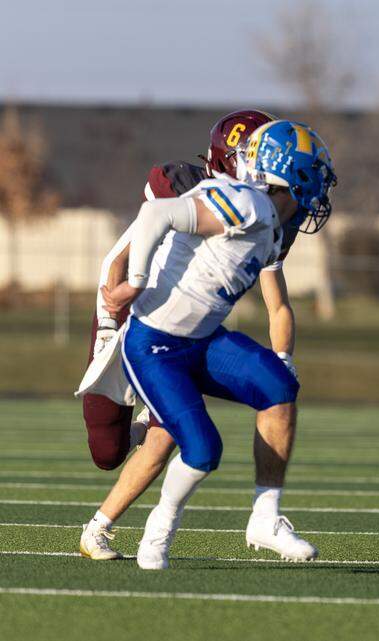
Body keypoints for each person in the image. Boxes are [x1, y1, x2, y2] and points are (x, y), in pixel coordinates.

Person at [100, 120, 335, 569]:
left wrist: (281, 353)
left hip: (203, 340)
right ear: (292, 174)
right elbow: (156, 214)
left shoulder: (269, 229)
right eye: (316, 176)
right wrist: (134, 282)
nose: (320, 190)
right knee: (204, 450)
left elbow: (275, 301)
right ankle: (160, 527)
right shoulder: (245, 202)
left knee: (278, 384)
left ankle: (265, 517)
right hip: (155, 346)